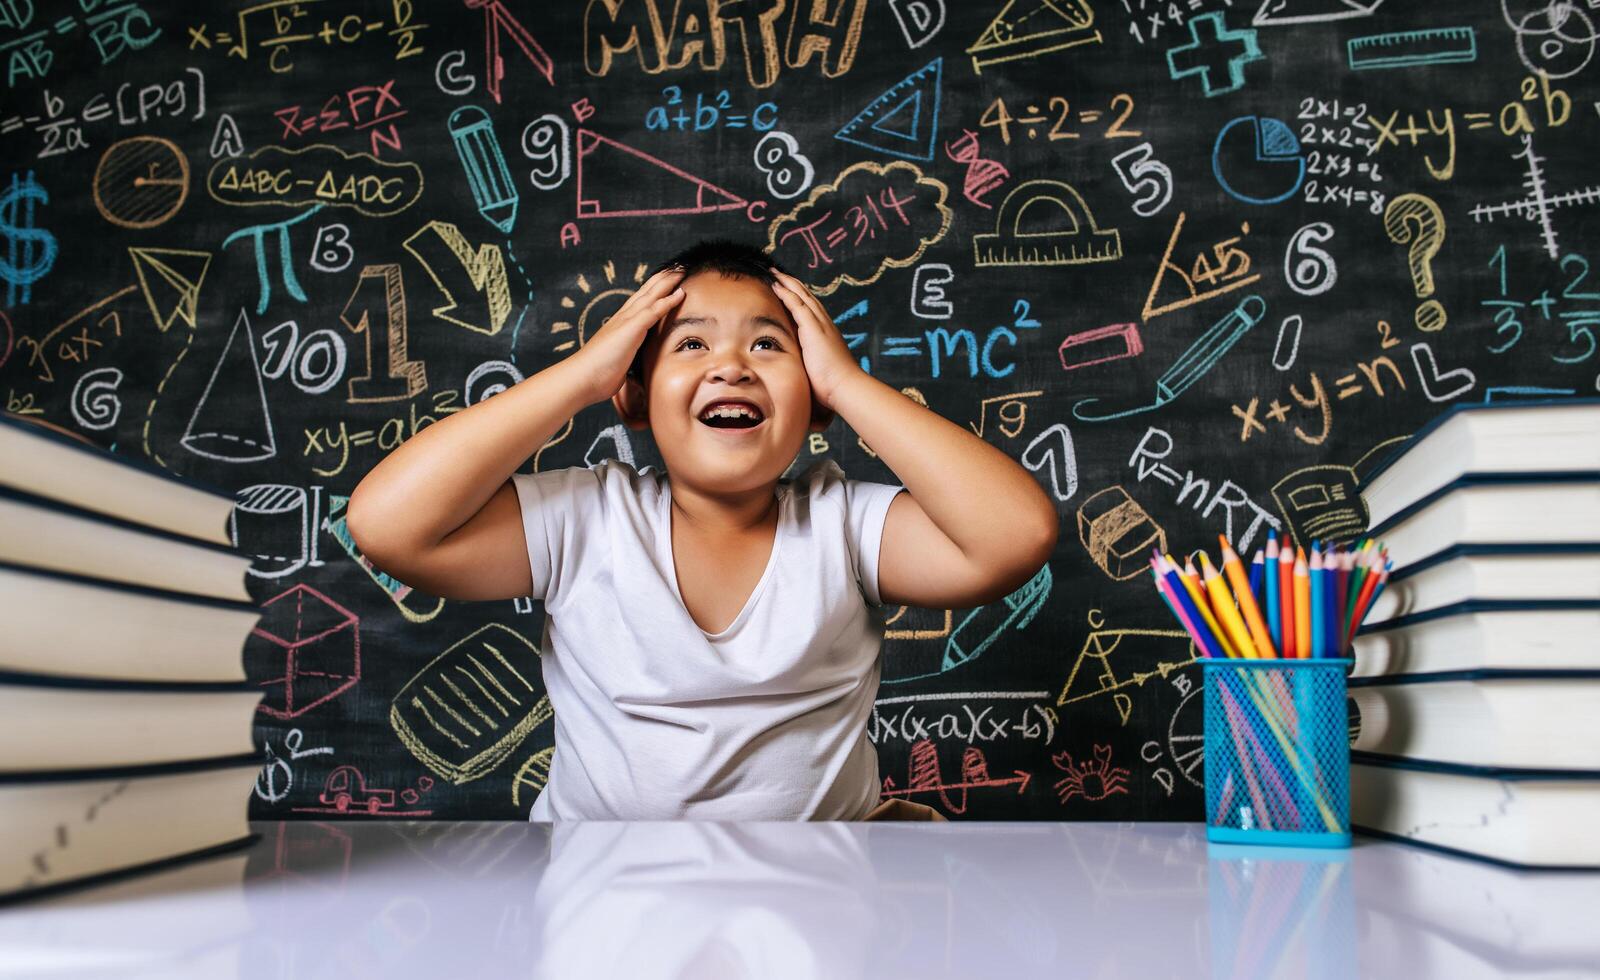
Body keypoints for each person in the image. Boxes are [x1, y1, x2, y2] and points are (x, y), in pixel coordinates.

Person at [346, 239, 1058, 820]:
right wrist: (582, 374)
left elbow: (1014, 536)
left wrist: (848, 385)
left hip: (818, 909)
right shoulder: (588, 521)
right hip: (606, 908)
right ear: (632, 395)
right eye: (690, 346)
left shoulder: (842, 524)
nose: (731, 367)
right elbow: (387, 526)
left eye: (770, 348)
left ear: (813, 402)